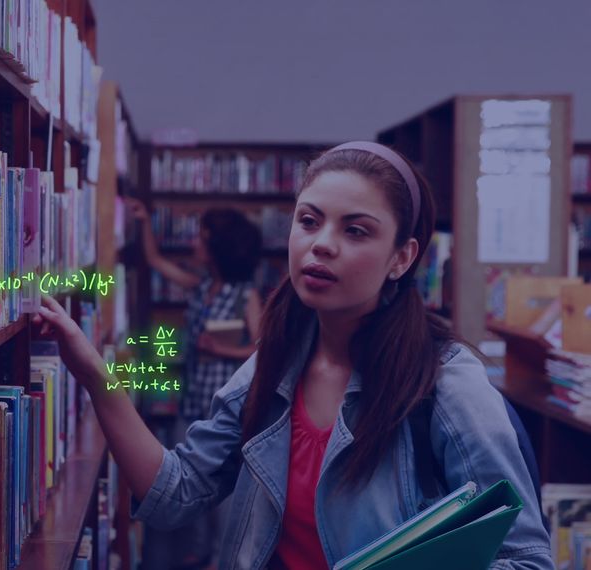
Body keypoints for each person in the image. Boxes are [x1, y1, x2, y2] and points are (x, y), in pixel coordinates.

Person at [34, 142, 552, 569]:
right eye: (309, 221)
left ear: (402, 257)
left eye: (355, 230)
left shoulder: (443, 382)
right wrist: (93, 373)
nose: (321, 245)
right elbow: (175, 493)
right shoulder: (274, 364)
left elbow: (526, 559)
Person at [123, 198, 263, 568]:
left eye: (202, 239)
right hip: (192, 402)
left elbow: (263, 349)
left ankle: (220, 558)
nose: (194, 245)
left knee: (223, 497)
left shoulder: (245, 295)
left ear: (219, 247)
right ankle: (200, 554)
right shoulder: (203, 286)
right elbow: (156, 262)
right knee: (193, 486)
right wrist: (145, 222)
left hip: (225, 409)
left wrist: (219, 348)